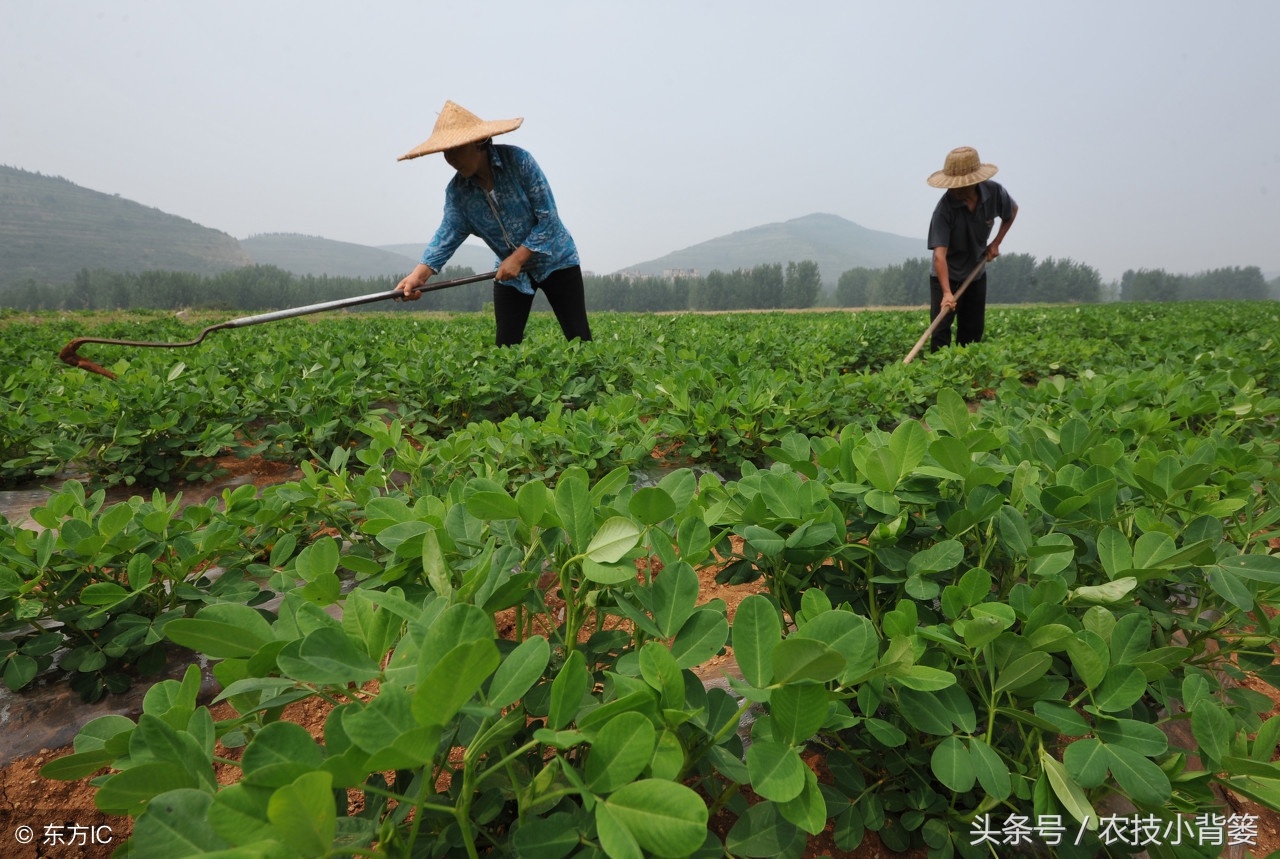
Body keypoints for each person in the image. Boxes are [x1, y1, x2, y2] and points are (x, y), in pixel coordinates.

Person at [394, 101, 592, 346]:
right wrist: (418, 276)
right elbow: (447, 235)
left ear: (479, 141)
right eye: (445, 151)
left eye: (455, 148)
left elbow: (548, 220)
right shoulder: (458, 193)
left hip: (557, 259)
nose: (451, 158)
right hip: (510, 274)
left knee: (580, 340)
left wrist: (518, 258)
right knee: (505, 350)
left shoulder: (519, 162)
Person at [925, 146, 1018, 352]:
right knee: (941, 329)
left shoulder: (994, 192)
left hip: (976, 272)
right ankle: (939, 374)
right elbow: (939, 255)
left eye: (960, 186)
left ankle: (967, 372)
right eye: (952, 185)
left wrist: (996, 243)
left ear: (974, 182)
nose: (955, 190)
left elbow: (1011, 211)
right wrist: (947, 293)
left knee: (973, 328)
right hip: (946, 275)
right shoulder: (943, 210)